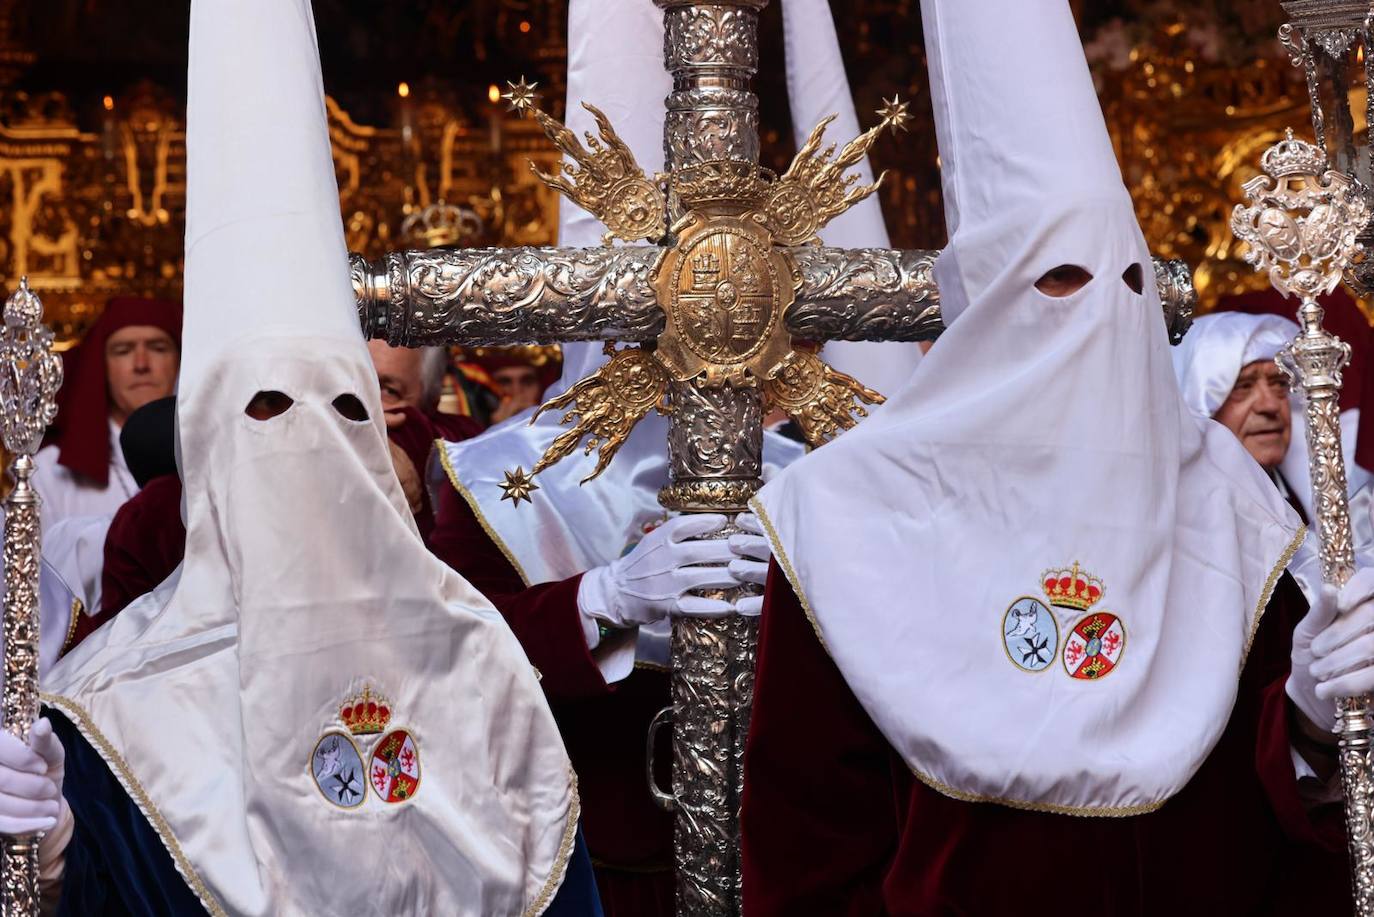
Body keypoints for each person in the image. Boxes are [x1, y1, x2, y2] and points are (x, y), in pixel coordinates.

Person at [739, 1, 1358, 913]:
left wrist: (1305, 717)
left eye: (1132, 281)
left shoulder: (1225, 495)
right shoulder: (845, 510)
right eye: (1060, 279)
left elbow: (1267, 805)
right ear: (985, 308)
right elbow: (806, 848)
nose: (1104, 314)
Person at [0, 0, 600, 912]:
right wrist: (45, 847)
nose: (311, 441)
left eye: (348, 409)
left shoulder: (473, 654)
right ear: (207, 446)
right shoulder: (115, 703)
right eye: (267, 409)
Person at [32, 297, 180, 522]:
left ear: (179, 361)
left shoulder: (217, 457)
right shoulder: (48, 474)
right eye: (123, 351)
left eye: (158, 348)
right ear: (102, 367)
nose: (141, 364)